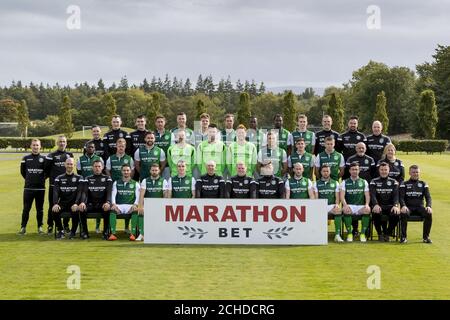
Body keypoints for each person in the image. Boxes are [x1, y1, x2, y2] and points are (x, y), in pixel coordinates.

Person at [45, 135, 74, 234]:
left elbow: (71, 168)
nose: (62, 143)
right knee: (52, 206)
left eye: (64, 141)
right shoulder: (51, 155)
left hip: (67, 187)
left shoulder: (70, 154)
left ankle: (66, 225)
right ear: (57, 143)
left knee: (68, 205)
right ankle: (50, 225)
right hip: (54, 186)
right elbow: (46, 170)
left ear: (66, 143)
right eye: (60, 141)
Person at [78, 160, 112, 240]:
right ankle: (85, 232)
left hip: (102, 204)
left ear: (102, 167)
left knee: (107, 209)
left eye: (99, 166)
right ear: (92, 168)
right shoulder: (88, 178)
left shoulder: (107, 178)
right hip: (91, 204)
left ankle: (106, 232)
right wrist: (82, 202)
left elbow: (109, 192)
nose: (97, 168)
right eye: (95, 166)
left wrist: (108, 202)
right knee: (82, 209)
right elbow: (85, 192)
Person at [18, 139, 47, 235]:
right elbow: (23, 172)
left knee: (40, 209)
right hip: (28, 189)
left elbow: (46, 173)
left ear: (40, 146)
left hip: (40, 189)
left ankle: (40, 227)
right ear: (31, 146)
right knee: (26, 209)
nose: (35, 147)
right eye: (34, 145)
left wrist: (40, 180)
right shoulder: (25, 158)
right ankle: (23, 227)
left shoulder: (44, 159)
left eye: (37, 145)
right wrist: (29, 180)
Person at [399, 165, 433, 244]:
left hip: (419, 207)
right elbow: (401, 197)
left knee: (429, 213)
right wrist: (403, 206)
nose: (415, 174)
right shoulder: (404, 184)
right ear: (409, 173)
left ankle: (426, 237)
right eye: (413, 172)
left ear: (419, 173)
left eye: (417, 172)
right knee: (403, 213)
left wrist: (428, 206)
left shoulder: (423, 184)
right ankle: (403, 237)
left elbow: (428, 197)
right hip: (408, 207)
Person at [51, 158, 84, 240]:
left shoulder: (79, 177)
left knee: (75, 210)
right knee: (54, 210)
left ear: (74, 165)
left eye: (71, 164)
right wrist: (55, 204)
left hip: (74, 203)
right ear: (65, 165)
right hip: (63, 203)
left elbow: (80, 192)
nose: (69, 166)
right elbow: (55, 192)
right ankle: (61, 230)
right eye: (68, 164)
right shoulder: (59, 178)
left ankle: (73, 232)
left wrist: (76, 203)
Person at [339, 162, 371, 242]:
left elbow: (367, 195)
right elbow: (342, 196)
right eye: (353, 169)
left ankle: (362, 234)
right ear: (349, 171)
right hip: (350, 205)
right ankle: (350, 233)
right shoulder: (344, 182)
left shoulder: (364, 182)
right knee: (346, 210)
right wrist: (345, 205)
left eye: (356, 169)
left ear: (359, 170)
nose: (354, 171)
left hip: (360, 206)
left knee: (367, 210)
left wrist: (367, 204)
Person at [370, 162, 401, 242]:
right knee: (376, 213)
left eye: (385, 170)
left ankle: (387, 233)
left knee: (396, 214)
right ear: (379, 170)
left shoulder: (394, 182)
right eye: (382, 170)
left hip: (390, 206)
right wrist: (376, 205)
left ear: (389, 170)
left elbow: (396, 195)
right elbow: (372, 195)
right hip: (379, 205)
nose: (384, 171)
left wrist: (395, 205)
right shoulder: (374, 181)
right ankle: (380, 234)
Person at [109, 164, 140, 241]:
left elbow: (138, 196)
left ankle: (133, 234)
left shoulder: (135, 183)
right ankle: (113, 234)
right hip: (119, 205)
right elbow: (113, 195)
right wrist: (114, 204)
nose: (126, 172)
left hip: (130, 205)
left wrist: (135, 205)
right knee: (112, 210)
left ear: (130, 171)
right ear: (121, 172)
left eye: (127, 170)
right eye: (124, 170)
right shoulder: (116, 183)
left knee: (135, 211)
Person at [313, 165, 343, 242]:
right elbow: (316, 198)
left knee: (338, 210)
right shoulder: (316, 183)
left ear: (330, 172)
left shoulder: (335, 183)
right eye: (324, 171)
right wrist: (318, 207)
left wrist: (336, 205)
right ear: (321, 172)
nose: (325, 173)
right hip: (320, 205)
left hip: (331, 206)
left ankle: (337, 235)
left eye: (327, 171)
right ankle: (317, 234)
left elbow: (337, 198)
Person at [137, 164, 165, 242]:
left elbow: (165, 195)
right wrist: (140, 206)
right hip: (148, 205)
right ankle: (141, 234)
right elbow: (141, 195)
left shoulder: (164, 181)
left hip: (159, 205)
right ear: (150, 171)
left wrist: (163, 206)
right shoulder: (145, 181)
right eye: (153, 170)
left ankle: (159, 234)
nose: (154, 172)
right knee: (141, 212)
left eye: (156, 170)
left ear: (159, 171)